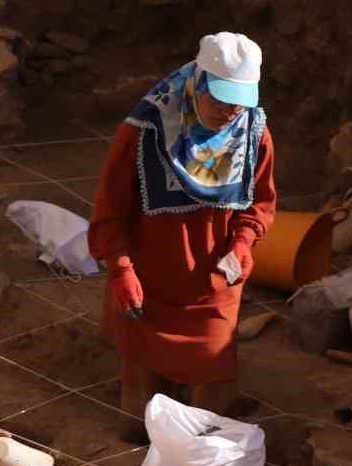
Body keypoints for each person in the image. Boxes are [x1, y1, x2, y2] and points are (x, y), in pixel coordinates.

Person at [88, 32, 277, 442]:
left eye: (238, 102)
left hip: (214, 281)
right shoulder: (146, 130)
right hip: (148, 277)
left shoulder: (252, 131)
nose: (229, 112)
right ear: (198, 81)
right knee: (140, 412)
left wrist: (244, 242)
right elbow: (110, 209)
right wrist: (120, 268)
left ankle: (200, 465)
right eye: (220, 98)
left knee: (212, 388)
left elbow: (260, 202)